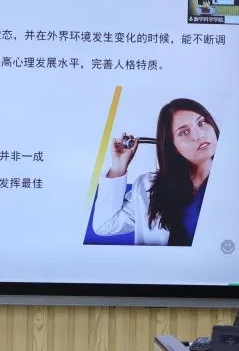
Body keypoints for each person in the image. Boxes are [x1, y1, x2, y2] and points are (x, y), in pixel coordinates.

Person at [91, 98, 219, 246]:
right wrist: (118, 166)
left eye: (201, 123)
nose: (199, 135)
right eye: (184, 132)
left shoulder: (236, 181)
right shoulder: (148, 187)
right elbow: (105, 226)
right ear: (173, 145)